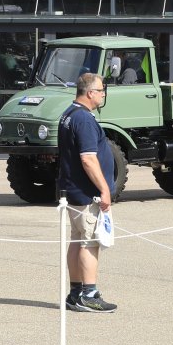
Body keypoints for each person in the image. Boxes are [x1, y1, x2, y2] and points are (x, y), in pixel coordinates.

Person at [58, 72, 116, 313]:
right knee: (89, 242)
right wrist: (104, 189)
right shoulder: (83, 119)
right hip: (85, 193)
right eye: (101, 90)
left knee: (77, 240)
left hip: (72, 190)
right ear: (90, 93)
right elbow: (88, 159)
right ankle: (88, 294)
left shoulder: (69, 114)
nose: (103, 94)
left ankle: (75, 293)